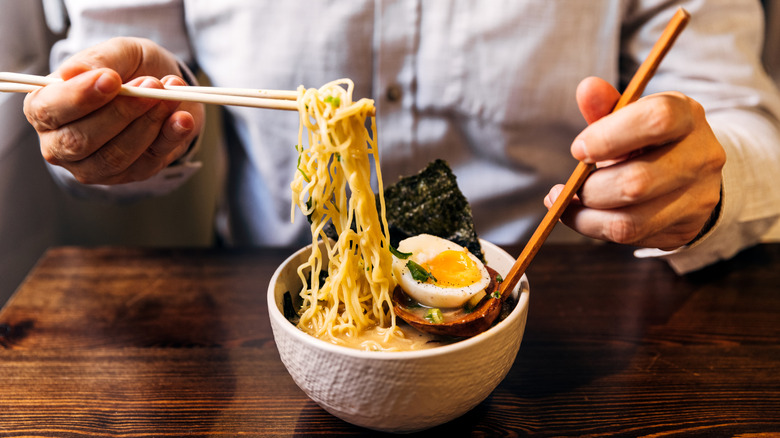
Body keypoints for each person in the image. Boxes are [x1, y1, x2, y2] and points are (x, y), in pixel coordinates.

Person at [23, 1, 780, 274]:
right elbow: (107, 68)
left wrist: (701, 181)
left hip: (547, 300)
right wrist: (134, 122)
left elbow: (744, 125)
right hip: (280, 299)